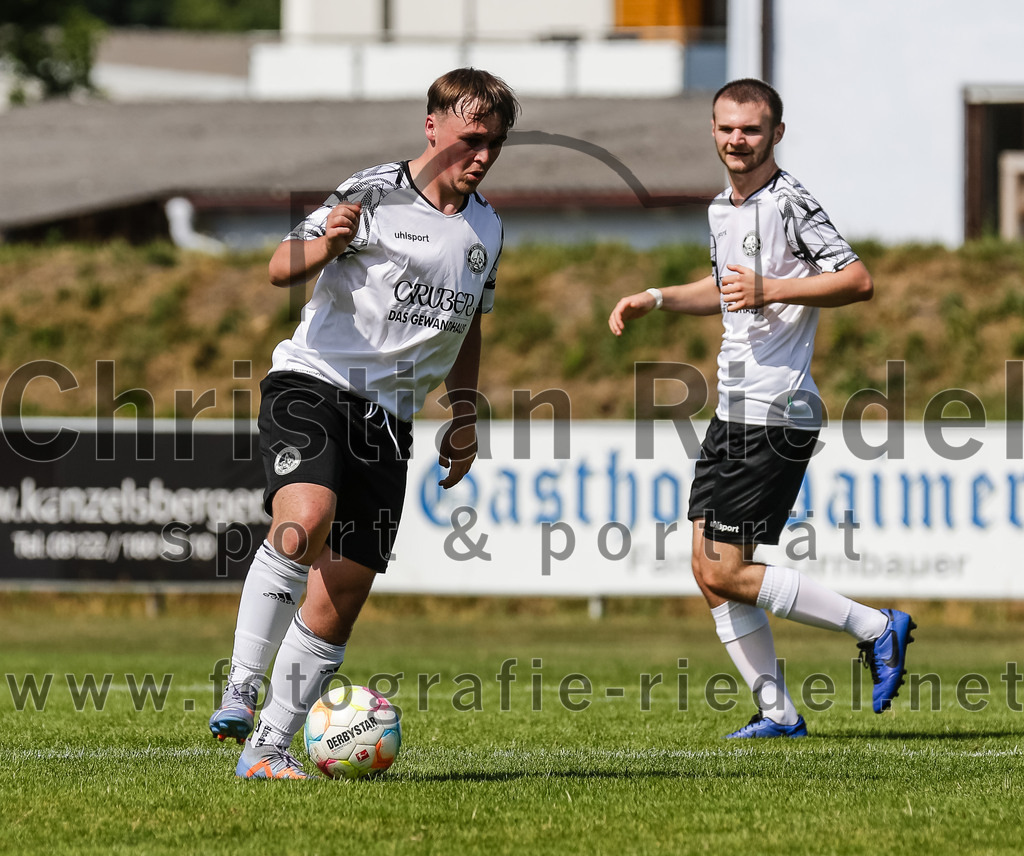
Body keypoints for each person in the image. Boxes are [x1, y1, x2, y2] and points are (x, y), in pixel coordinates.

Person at [209, 68, 520, 777]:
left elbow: (470, 324)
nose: (482, 156)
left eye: (495, 144)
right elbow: (279, 266)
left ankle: (266, 751)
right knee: (305, 518)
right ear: (432, 125)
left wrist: (464, 415)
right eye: (472, 139)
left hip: (391, 420)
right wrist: (326, 246)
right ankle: (240, 690)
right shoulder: (372, 191)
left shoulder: (488, 228)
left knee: (341, 594)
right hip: (314, 383)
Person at [608, 78, 915, 738]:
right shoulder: (724, 208)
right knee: (708, 570)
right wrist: (656, 297)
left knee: (726, 567)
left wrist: (777, 286)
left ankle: (876, 627)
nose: (736, 140)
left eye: (750, 129)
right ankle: (777, 713)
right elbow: (726, 291)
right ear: (713, 131)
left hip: (775, 410)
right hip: (735, 406)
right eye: (725, 128)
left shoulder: (789, 202)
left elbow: (858, 279)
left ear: (775, 133)